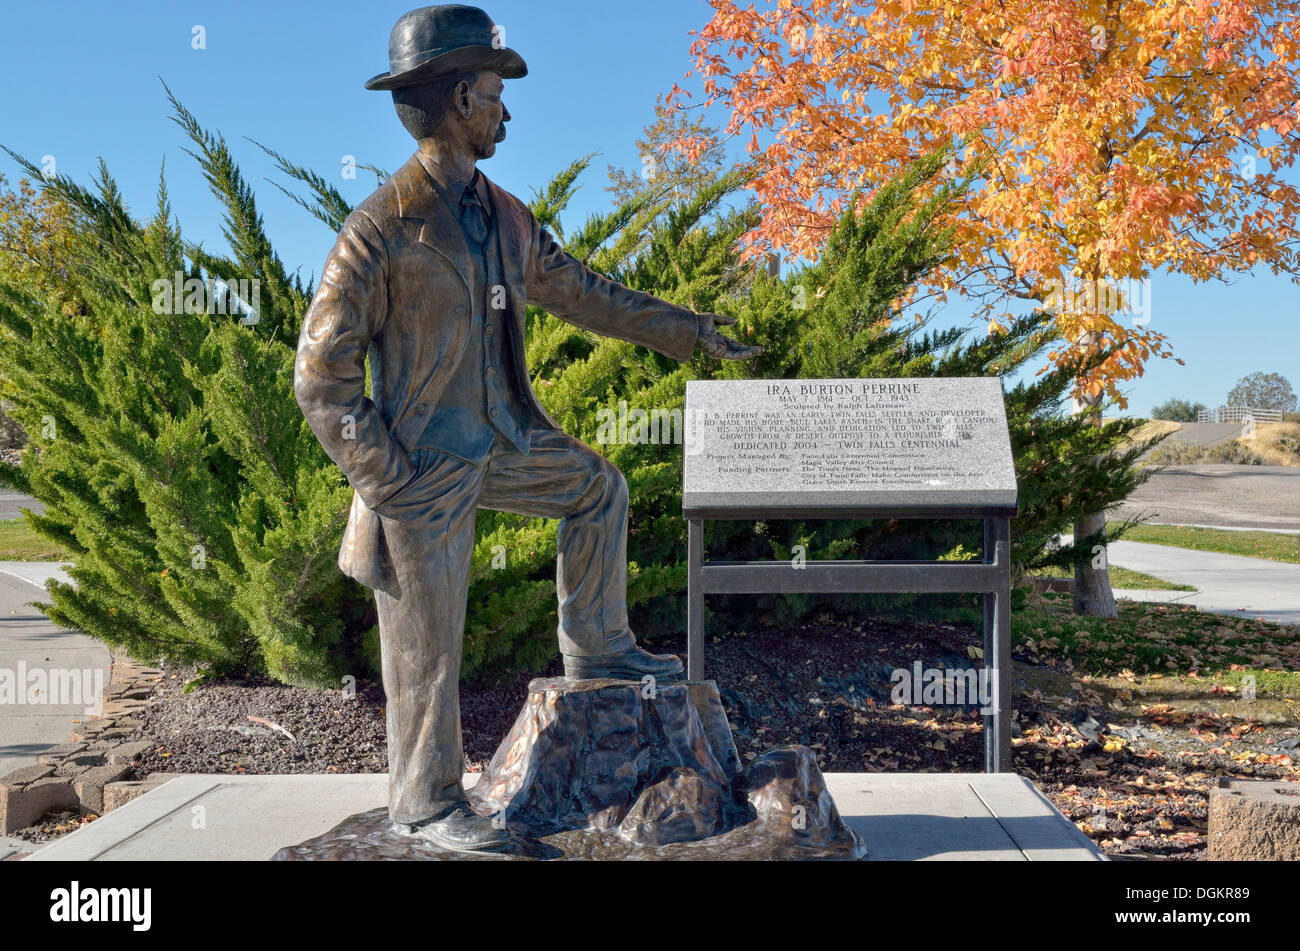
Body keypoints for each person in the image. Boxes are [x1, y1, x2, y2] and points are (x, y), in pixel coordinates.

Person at [294, 4, 760, 852]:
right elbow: (321, 378)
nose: (508, 110)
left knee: (599, 488)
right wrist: (390, 477)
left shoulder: (505, 215)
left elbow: (586, 293)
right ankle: (427, 803)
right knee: (426, 650)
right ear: (456, 100)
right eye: (495, 92)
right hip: (421, 465)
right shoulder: (379, 229)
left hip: (504, 439)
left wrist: (687, 329)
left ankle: (597, 648)